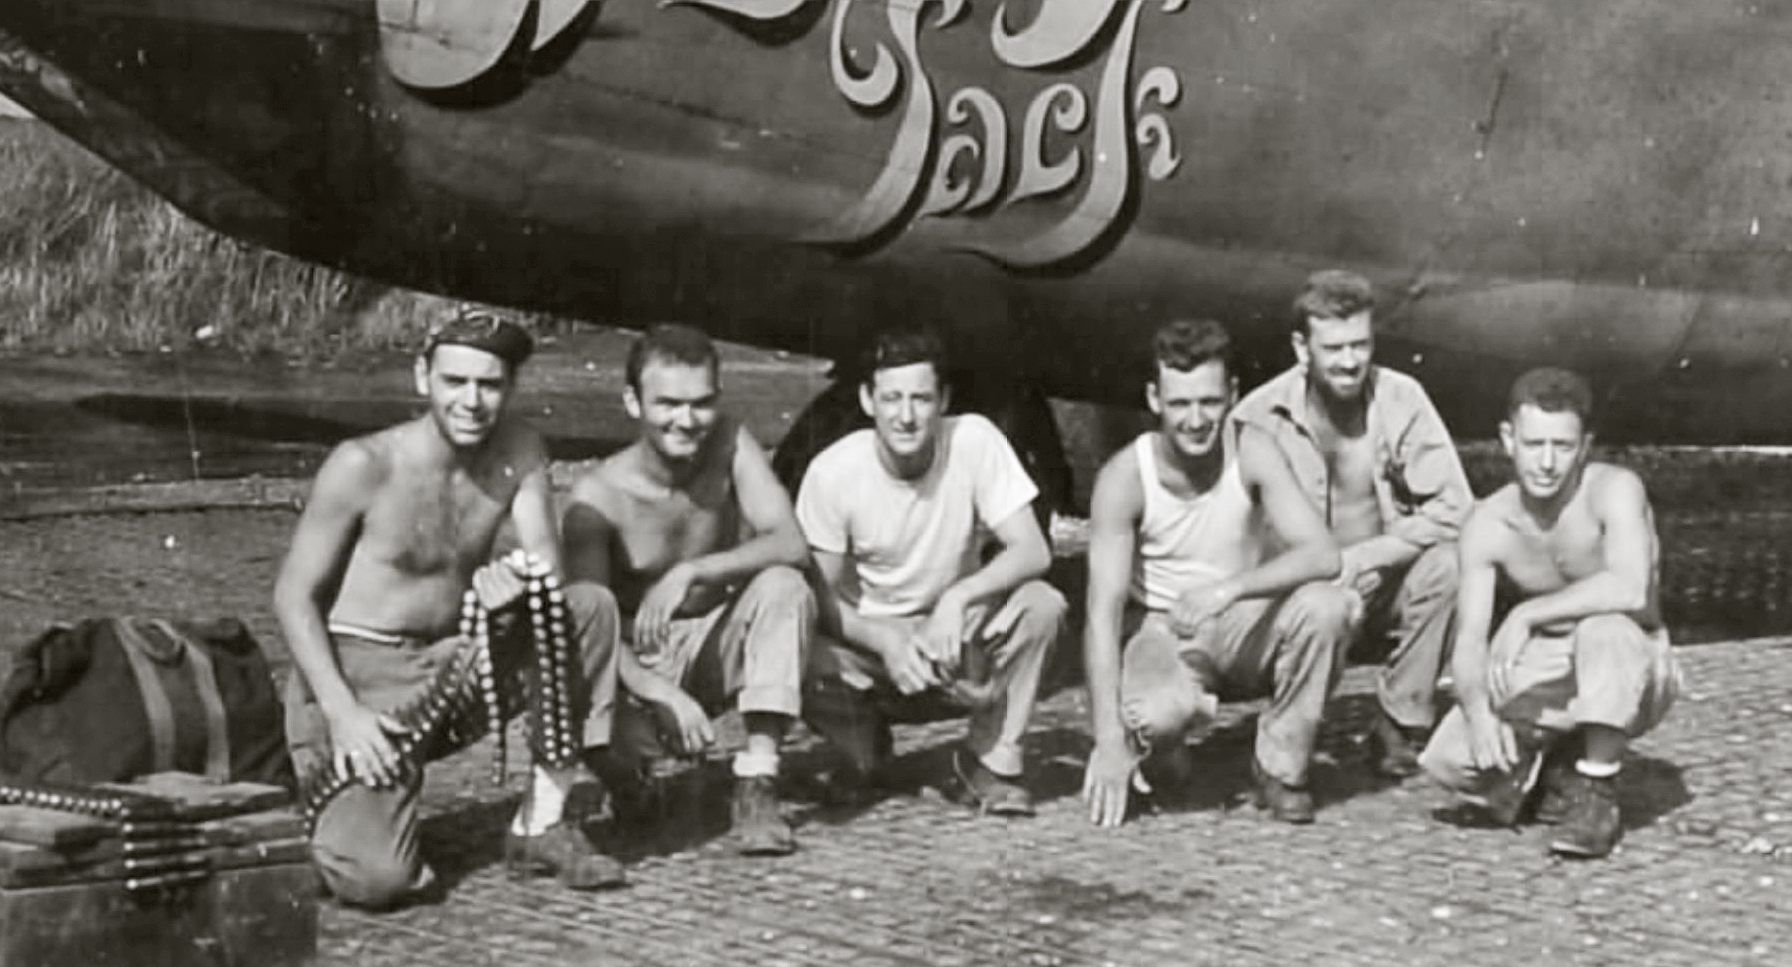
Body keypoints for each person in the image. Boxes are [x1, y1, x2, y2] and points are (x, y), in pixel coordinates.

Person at [272, 308, 628, 906]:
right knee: (377, 881)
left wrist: (515, 586)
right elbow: (291, 597)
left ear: (510, 388)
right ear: (422, 378)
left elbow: (548, 566)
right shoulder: (364, 464)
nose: (472, 401)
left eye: (490, 385)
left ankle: (541, 822)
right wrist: (343, 715)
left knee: (587, 608)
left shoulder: (519, 449)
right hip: (363, 674)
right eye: (454, 382)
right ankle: (321, 784)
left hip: (457, 659)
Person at [1081, 318, 1355, 827]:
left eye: (1209, 401)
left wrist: (1230, 589)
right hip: (1162, 628)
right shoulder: (1124, 477)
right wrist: (1109, 742)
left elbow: (1323, 554)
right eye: (1180, 403)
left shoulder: (1253, 449)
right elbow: (1101, 615)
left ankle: (1279, 767)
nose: (1195, 420)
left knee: (1328, 606)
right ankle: (1166, 747)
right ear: (1154, 399)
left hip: (1238, 618)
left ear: (1231, 394)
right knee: (1158, 718)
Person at [561, 323, 817, 857]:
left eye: (701, 403)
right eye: (668, 403)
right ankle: (633, 788)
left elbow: (792, 542)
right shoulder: (598, 496)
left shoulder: (730, 442)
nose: (687, 420)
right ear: (633, 402)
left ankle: (757, 780)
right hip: (635, 665)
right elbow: (588, 625)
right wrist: (662, 694)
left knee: (783, 586)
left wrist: (693, 572)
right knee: (570, 671)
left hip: (709, 640)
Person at [796, 327, 1065, 816]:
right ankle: (862, 750)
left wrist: (958, 599)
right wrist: (884, 640)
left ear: (943, 399)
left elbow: (1033, 550)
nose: (905, 416)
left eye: (921, 398)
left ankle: (989, 763)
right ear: (866, 399)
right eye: (891, 398)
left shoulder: (975, 439)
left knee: (1043, 605)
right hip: (871, 644)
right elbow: (816, 594)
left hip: (951, 634)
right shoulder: (833, 473)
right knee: (791, 635)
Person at [1420, 367, 1681, 860]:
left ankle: (1597, 793)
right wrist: (1478, 715)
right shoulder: (1488, 523)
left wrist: (1527, 615)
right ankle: (1560, 773)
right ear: (1507, 440)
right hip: (1555, 663)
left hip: (1635, 655)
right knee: (1451, 760)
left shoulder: (1616, 489)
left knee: (1604, 630)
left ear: (1584, 446)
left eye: (1562, 447)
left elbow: (1629, 587)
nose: (1545, 463)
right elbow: (1471, 641)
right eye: (1533, 443)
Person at [1235, 270, 1472, 781]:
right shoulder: (1257, 418)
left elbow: (1456, 508)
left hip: (1379, 579)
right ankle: (1287, 732)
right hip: (1297, 592)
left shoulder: (1401, 398)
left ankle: (1399, 721)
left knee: (1452, 564)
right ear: (1302, 347)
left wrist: (1368, 556)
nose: (1350, 362)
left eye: (1361, 345)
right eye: (1334, 348)